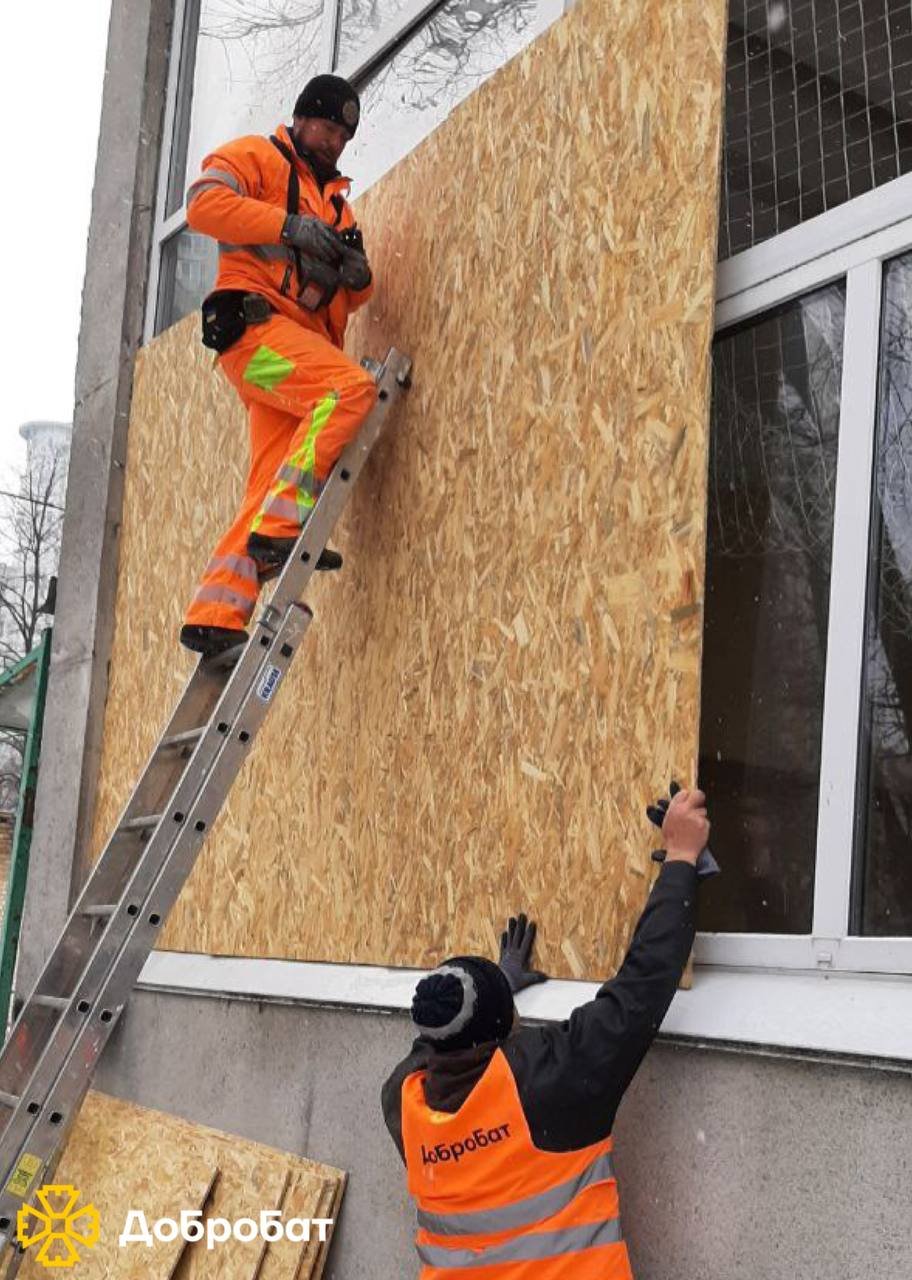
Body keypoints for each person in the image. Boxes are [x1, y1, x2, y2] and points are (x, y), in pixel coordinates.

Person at [382, 783, 713, 1278]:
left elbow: (435, 1045)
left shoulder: (402, 1101)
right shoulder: (549, 1082)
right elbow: (639, 988)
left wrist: (496, 992)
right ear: (501, 1025)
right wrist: (682, 858)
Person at [178, 74, 378, 658]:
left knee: (270, 482)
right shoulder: (258, 159)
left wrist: (358, 280)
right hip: (255, 338)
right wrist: (288, 226)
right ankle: (280, 532)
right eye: (327, 127)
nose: (334, 141)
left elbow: (345, 294)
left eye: (343, 135)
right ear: (301, 118)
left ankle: (215, 614)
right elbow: (203, 206)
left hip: (282, 361)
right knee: (349, 391)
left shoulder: (338, 208)